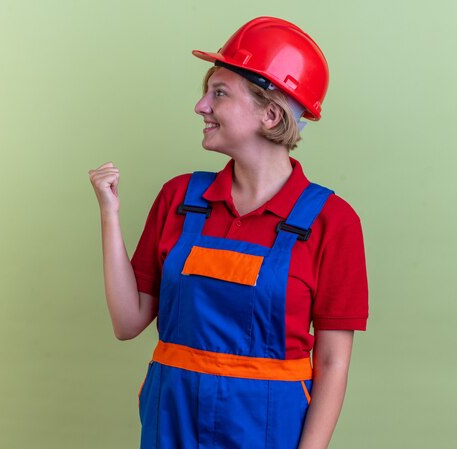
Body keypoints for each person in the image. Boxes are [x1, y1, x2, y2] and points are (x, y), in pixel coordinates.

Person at [88, 16, 368, 449]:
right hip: (171, 421)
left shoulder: (332, 221)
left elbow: (332, 363)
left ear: (270, 113)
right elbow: (127, 323)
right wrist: (110, 214)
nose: (201, 106)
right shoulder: (180, 199)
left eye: (219, 93)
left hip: (269, 429)